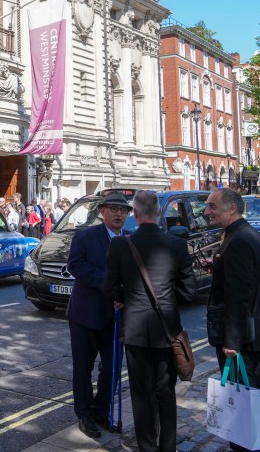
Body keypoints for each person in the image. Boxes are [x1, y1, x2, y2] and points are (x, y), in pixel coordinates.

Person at [102, 190, 196, 452]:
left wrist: (126, 298)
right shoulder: (177, 245)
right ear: (158, 212)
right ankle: (168, 447)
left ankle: (146, 447)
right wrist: (166, 298)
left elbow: (108, 289)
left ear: (135, 213)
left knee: (141, 395)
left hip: (135, 330)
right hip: (167, 330)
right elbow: (188, 292)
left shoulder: (121, 245)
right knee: (166, 393)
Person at [204, 188, 260, 452]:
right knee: (251, 395)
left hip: (242, 337)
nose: (207, 211)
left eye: (212, 206)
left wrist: (231, 340)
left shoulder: (240, 240)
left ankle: (251, 447)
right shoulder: (242, 235)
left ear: (231, 208)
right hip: (248, 332)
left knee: (246, 397)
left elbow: (239, 296)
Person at [66, 191, 132, 438]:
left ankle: (100, 409)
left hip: (115, 316)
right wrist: (110, 284)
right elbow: (76, 265)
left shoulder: (130, 239)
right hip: (85, 314)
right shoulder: (85, 236)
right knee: (83, 367)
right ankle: (84, 413)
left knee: (113, 367)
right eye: (113, 209)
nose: (118, 214)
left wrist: (125, 295)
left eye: (123, 210)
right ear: (102, 211)